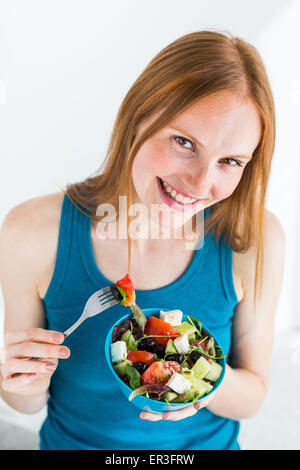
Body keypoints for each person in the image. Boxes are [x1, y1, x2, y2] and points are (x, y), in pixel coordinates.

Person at [0, 30, 285, 450]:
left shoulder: (255, 239)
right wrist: (21, 379)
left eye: (229, 161)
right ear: (138, 117)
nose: (200, 183)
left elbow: (252, 396)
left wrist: (195, 377)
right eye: (184, 142)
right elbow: (26, 404)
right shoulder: (32, 232)